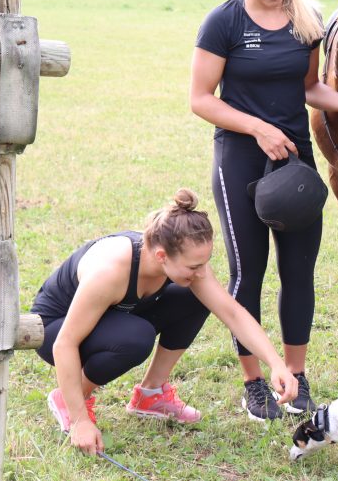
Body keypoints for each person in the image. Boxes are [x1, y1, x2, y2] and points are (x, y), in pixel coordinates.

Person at [189, 0, 338, 421]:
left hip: (295, 164)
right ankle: (254, 383)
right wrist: (258, 129)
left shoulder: (307, 18)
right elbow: (201, 99)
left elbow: (310, 87)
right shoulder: (223, 22)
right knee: (247, 274)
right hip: (240, 161)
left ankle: (295, 377)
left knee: (299, 273)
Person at [30, 189, 299, 454]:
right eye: (194, 266)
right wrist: (80, 422)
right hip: (55, 327)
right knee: (136, 338)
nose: (202, 272)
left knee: (194, 297)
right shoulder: (111, 270)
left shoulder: (181, 260)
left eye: (205, 263)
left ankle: (151, 394)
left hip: (110, 315)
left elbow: (233, 313)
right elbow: (64, 343)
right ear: (161, 256)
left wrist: (276, 363)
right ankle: (70, 400)